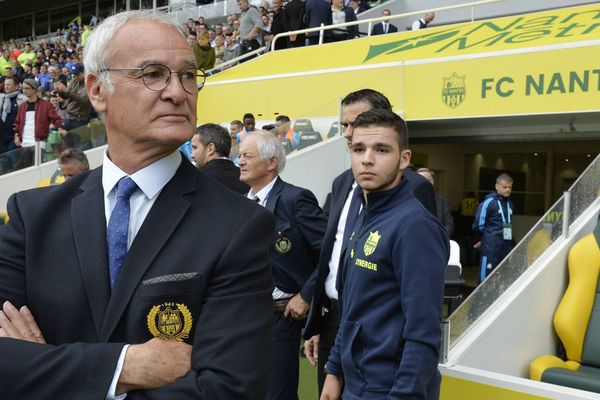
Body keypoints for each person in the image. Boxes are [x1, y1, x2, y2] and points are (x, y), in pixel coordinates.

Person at [0, 11, 275, 399]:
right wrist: (124, 366)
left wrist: (44, 370)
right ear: (97, 91)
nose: (177, 92)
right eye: (153, 73)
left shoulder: (240, 225)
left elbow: (228, 388)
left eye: (187, 75)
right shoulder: (33, 216)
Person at [303, 88, 437, 397]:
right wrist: (335, 369)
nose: (367, 159)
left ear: (404, 158)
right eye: (358, 148)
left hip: (387, 385)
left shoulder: (415, 225)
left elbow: (422, 332)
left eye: (381, 149)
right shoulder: (366, 211)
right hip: (353, 370)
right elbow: (354, 304)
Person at [238, 131, 327, 400]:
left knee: (277, 393)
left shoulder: (295, 199)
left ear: (271, 163)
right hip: (246, 317)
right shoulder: (241, 204)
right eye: (239, 155)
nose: (239, 161)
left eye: (247, 156)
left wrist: (306, 295)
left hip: (282, 317)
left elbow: (330, 251)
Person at [13, 79, 65, 169]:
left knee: (38, 167)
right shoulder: (22, 106)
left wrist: (60, 128)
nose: (24, 90)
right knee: (23, 168)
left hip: (39, 142)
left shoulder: (46, 105)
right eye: (23, 88)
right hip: (25, 143)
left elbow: (55, 119)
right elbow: (18, 123)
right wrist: (17, 135)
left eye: (27, 88)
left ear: (34, 90)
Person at [473, 173, 515, 283]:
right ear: (497, 186)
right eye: (504, 187)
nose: (508, 190)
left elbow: (508, 224)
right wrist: (484, 238)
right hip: (490, 246)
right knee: (486, 278)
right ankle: (481, 299)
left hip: (505, 246)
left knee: (502, 278)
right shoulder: (489, 202)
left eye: (510, 187)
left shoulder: (510, 204)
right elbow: (479, 224)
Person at [191, 123, 250, 194]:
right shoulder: (248, 179)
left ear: (210, 148)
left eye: (195, 148)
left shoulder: (195, 181)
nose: (192, 155)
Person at [418, 167, 454, 237]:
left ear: (433, 181)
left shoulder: (443, 201)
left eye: (428, 180)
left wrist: (440, 239)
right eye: (421, 180)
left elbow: (449, 225)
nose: (425, 183)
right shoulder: (410, 201)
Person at [0, 76, 27, 154]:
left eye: (8, 85)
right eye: (5, 84)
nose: (6, 87)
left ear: (16, 86)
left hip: (15, 137)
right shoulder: (2, 98)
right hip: (2, 137)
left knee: (14, 163)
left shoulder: (24, 99)